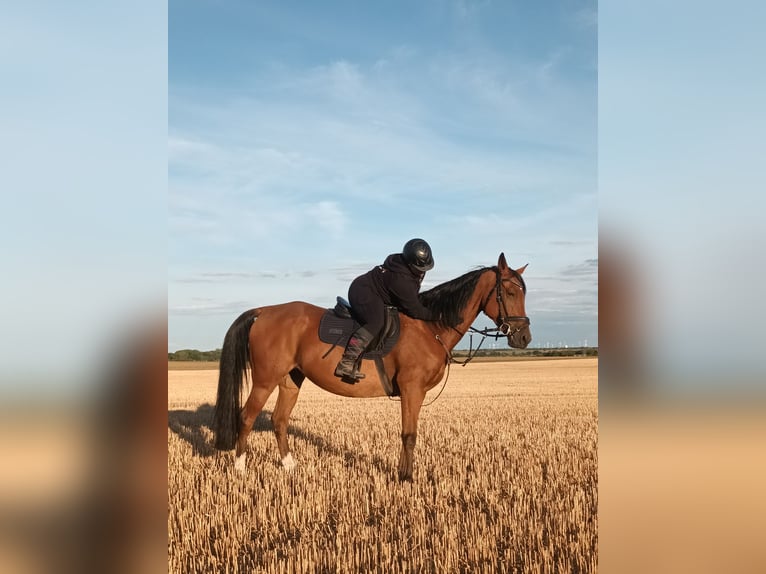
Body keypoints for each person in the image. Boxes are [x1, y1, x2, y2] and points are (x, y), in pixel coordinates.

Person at [334, 238, 439, 382]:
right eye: (419, 269)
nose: (422, 273)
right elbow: (415, 310)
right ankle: (347, 361)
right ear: (409, 263)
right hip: (363, 292)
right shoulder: (400, 281)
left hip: (375, 290)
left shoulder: (405, 264)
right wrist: (437, 315)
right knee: (376, 322)